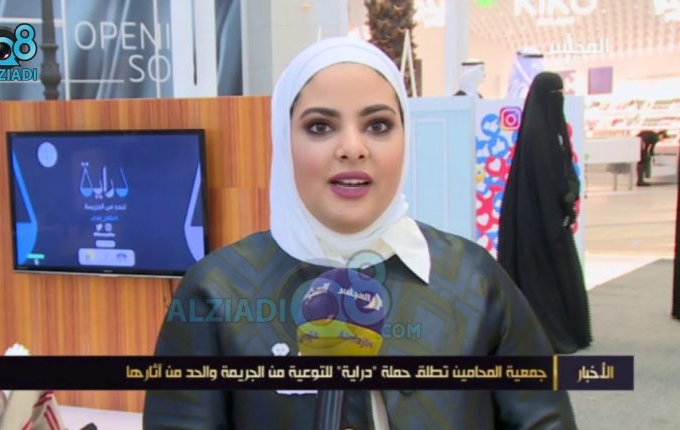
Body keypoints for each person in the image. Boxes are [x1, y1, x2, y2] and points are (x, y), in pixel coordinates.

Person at [144, 37, 577, 429]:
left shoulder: (472, 279)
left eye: (378, 125)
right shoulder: (217, 291)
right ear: (284, 139)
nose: (352, 148)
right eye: (320, 126)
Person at [498, 71, 592, 355]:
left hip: (553, 217)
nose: (559, 99)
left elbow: (564, 170)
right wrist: (562, 201)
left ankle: (567, 330)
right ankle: (549, 333)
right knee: (544, 277)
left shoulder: (553, 129)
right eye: (555, 94)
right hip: (539, 221)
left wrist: (569, 195)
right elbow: (547, 179)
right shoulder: (538, 134)